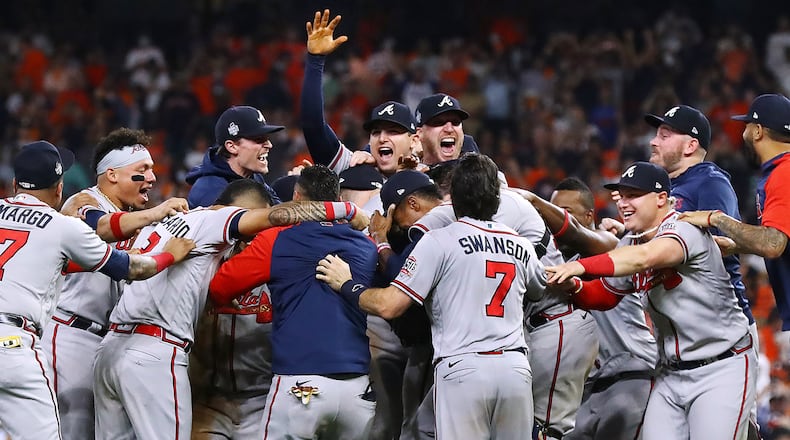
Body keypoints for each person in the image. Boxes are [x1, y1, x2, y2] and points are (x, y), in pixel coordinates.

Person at [92, 180, 370, 440]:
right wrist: (348, 209)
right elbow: (275, 217)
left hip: (252, 397)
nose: (257, 232)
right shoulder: (219, 233)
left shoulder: (181, 231)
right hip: (197, 389)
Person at [317, 153, 548, 440]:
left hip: (463, 369)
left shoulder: (439, 241)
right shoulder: (520, 244)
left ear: (453, 198)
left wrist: (347, 284)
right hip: (514, 370)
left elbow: (389, 306)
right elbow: (538, 289)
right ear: (496, 198)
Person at [547, 161, 756, 440]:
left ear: (661, 199)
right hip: (670, 373)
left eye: (634, 195)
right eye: (622, 195)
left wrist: (581, 267)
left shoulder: (684, 227)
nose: (623, 202)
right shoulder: (632, 241)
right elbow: (604, 296)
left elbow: (645, 258)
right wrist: (572, 286)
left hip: (721, 367)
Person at [0, 140, 195, 440]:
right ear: (59, 188)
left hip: (99, 339)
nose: (151, 177)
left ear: (14, 184)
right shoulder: (75, 209)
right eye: (142, 170)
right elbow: (108, 237)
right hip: (55, 335)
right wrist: (168, 254)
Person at [209, 165, 378, 440]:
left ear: (297, 198)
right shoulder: (365, 245)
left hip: (300, 384)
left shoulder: (277, 239)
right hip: (357, 391)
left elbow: (219, 288)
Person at [528, 177, 657, 440]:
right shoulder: (555, 260)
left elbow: (587, 238)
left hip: (630, 376)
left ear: (588, 216)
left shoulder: (612, 249)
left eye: (566, 212)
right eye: (550, 212)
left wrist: (532, 200)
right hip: (587, 391)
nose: (553, 220)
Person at [679, 93, 790, 334]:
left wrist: (716, 218)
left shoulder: (784, 173)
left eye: (747, 126)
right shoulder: (781, 171)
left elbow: (773, 243)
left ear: (758, 131)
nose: (743, 134)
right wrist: (737, 245)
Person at [185, 105, 284, 208]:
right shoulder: (210, 189)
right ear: (232, 147)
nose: (269, 145)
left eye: (267, 139)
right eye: (259, 139)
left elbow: (278, 211)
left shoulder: (253, 176)